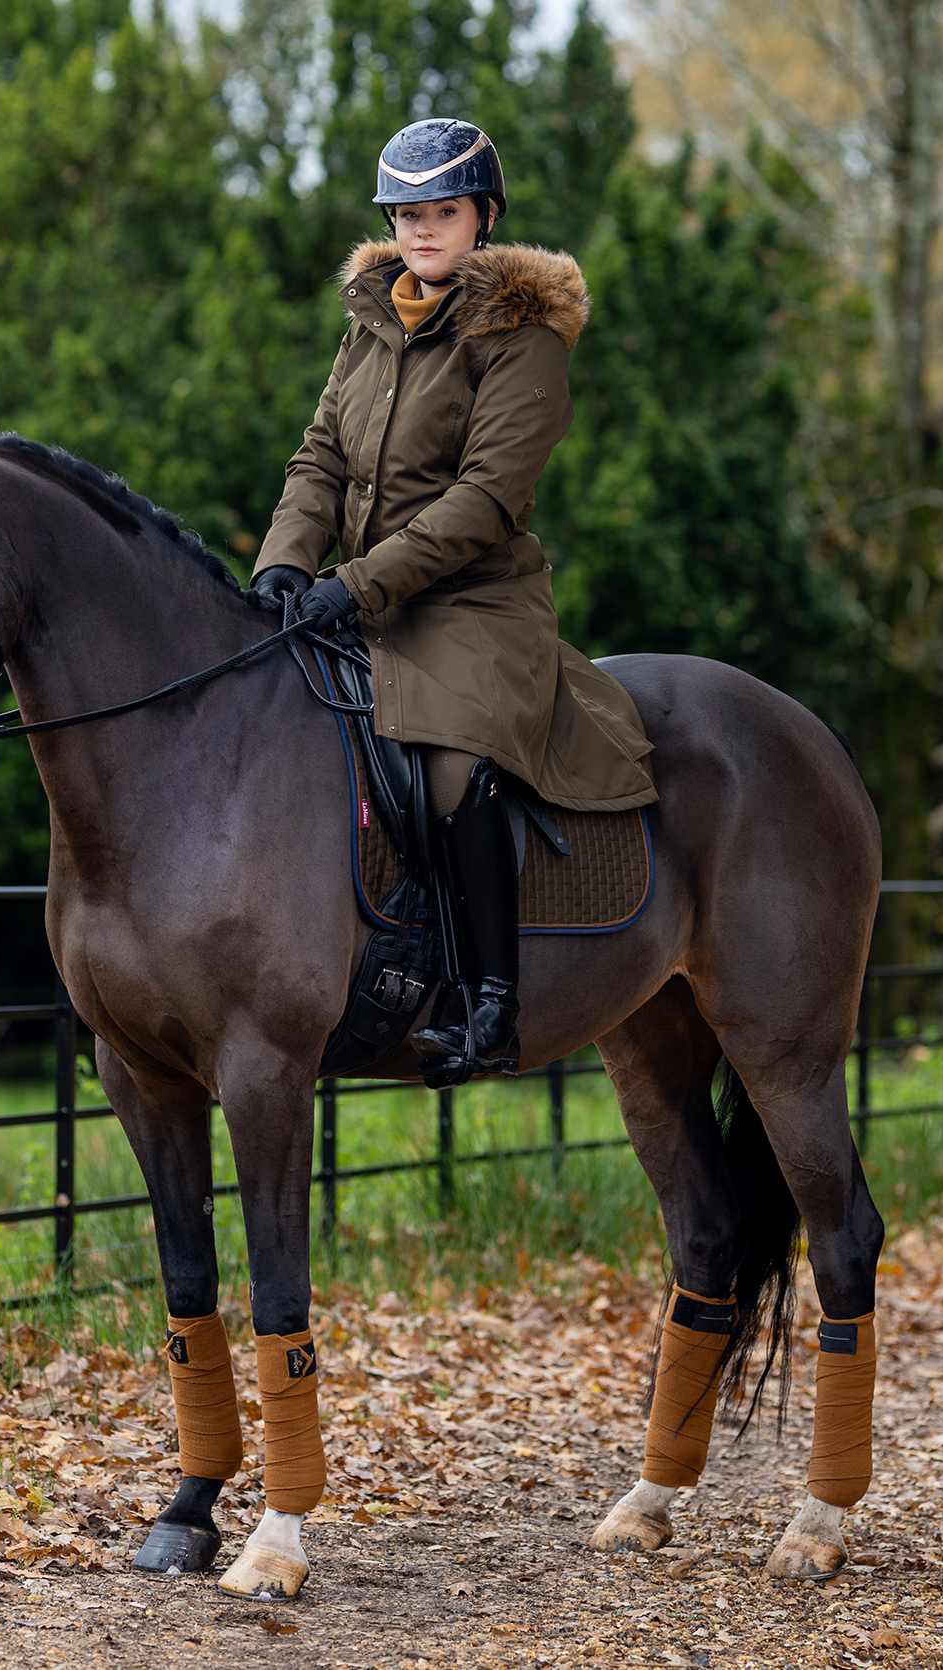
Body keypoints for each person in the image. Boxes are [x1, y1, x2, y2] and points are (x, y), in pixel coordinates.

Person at [249, 118, 657, 1083]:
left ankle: (490, 1007)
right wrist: (282, 563)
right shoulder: (370, 325)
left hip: (476, 609)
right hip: (357, 603)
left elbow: (485, 501)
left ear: (482, 216)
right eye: (407, 213)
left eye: (442, 212)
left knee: (450, 773)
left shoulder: (523, 338)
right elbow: (319, 458)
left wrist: (352, 584)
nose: (423, 230)